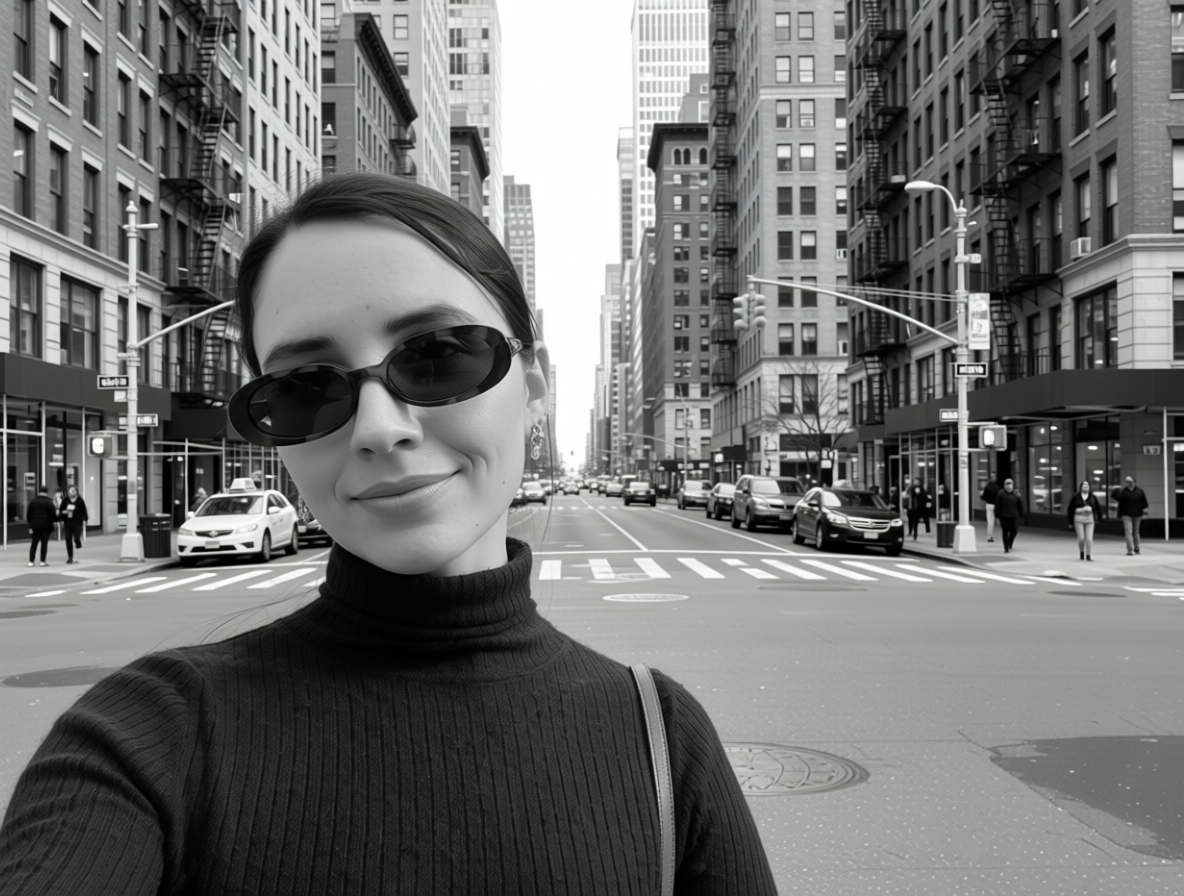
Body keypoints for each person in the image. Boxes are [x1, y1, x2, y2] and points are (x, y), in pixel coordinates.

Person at [0, 172, 777, 893]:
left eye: (438, 357)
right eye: (306, 387)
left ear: (532, 382)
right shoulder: (143, 738)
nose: (378, 429)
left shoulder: (660, 738)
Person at [1065, 480, 1102, 561]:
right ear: (1081, 487)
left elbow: (1098, 508)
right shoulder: (1075, 497)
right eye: (1084, 484)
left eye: (1087, 484)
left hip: (1090, 520)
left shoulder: (1093, 497)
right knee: (1081, 538)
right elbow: (1070, 509)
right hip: (1078, 520)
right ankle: (1081, 552)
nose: (1085, 485)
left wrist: (1099, 518)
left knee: (1089, 538)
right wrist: (1070, 522)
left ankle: (1088, 554)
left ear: (1089, 487)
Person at [1114, 475, 1149, 556]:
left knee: (1136, 531)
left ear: (1134, 482)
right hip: (1126, 514)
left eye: (1130, 481)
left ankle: (1137, 547)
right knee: (1128, 532)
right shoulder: (1123, 492)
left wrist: (1140, 508)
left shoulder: (1140, 491)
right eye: (1127, 481)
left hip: (1137, 514)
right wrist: (1120, 488)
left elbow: (1145, 504)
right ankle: (1130, 549)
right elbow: (1117, 498)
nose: (1129, 483)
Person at [25, 487, 57, 567]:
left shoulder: (33, 501)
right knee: (44, 543)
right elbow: (53, 514)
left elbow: (29, 514)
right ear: (47, 492)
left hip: (34, 525)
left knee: (34, 543)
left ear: (39, 492)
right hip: (46, 525)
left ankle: (31, 561)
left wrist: (30, 523)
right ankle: (42, 561)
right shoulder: (49, 501)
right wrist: (56, 519)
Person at [57, 486, 88, 564]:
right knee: (68, 539)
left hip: (77, 522)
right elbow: (61, 510)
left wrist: (85, 520)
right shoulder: (65, 500)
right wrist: (63, 516)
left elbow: (84, 511)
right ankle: (70, 557)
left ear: (76, 492)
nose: (71, 492)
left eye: (73, 491)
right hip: (68, 522)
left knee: (76, 538)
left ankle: (78, 542)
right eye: (70, 491)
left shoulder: (80, 501)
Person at [993, 478, 1026, 553]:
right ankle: (1006, 548)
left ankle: (1009, 543)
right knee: (1005, 531)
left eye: (1010, 486)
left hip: (1013, 515)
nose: (1008, 487)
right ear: (1004, 486)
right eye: (1007, 485)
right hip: (1003, 516)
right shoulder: (1000, 493)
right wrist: (996, 515)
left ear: (1012, 486)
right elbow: (997, 505)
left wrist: (1022, 514)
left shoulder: (1016, 493)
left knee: (1014, 531)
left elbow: (1020, 504)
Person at [981, 477, 1001, 543]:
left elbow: (983, 497)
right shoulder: (997, 487)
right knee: (992, 522)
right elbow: (999, 497)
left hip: (988, 505)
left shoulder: (987, 487)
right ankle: (990, 536)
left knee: (989, 522)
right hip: (995, 505)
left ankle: (989, 536)